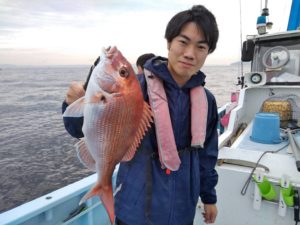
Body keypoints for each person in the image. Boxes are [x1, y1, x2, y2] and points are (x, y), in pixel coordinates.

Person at [62, 5, 219, 225]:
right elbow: (79, 129)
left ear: (208, 52)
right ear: (169, 43)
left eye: (201, 47)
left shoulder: (207, 101)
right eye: (183, 42)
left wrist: (209, 197)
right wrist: (71, 104)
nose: (190, 54)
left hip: (184, 210)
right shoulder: (135, 90)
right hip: (134, 212)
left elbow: (207, 155)